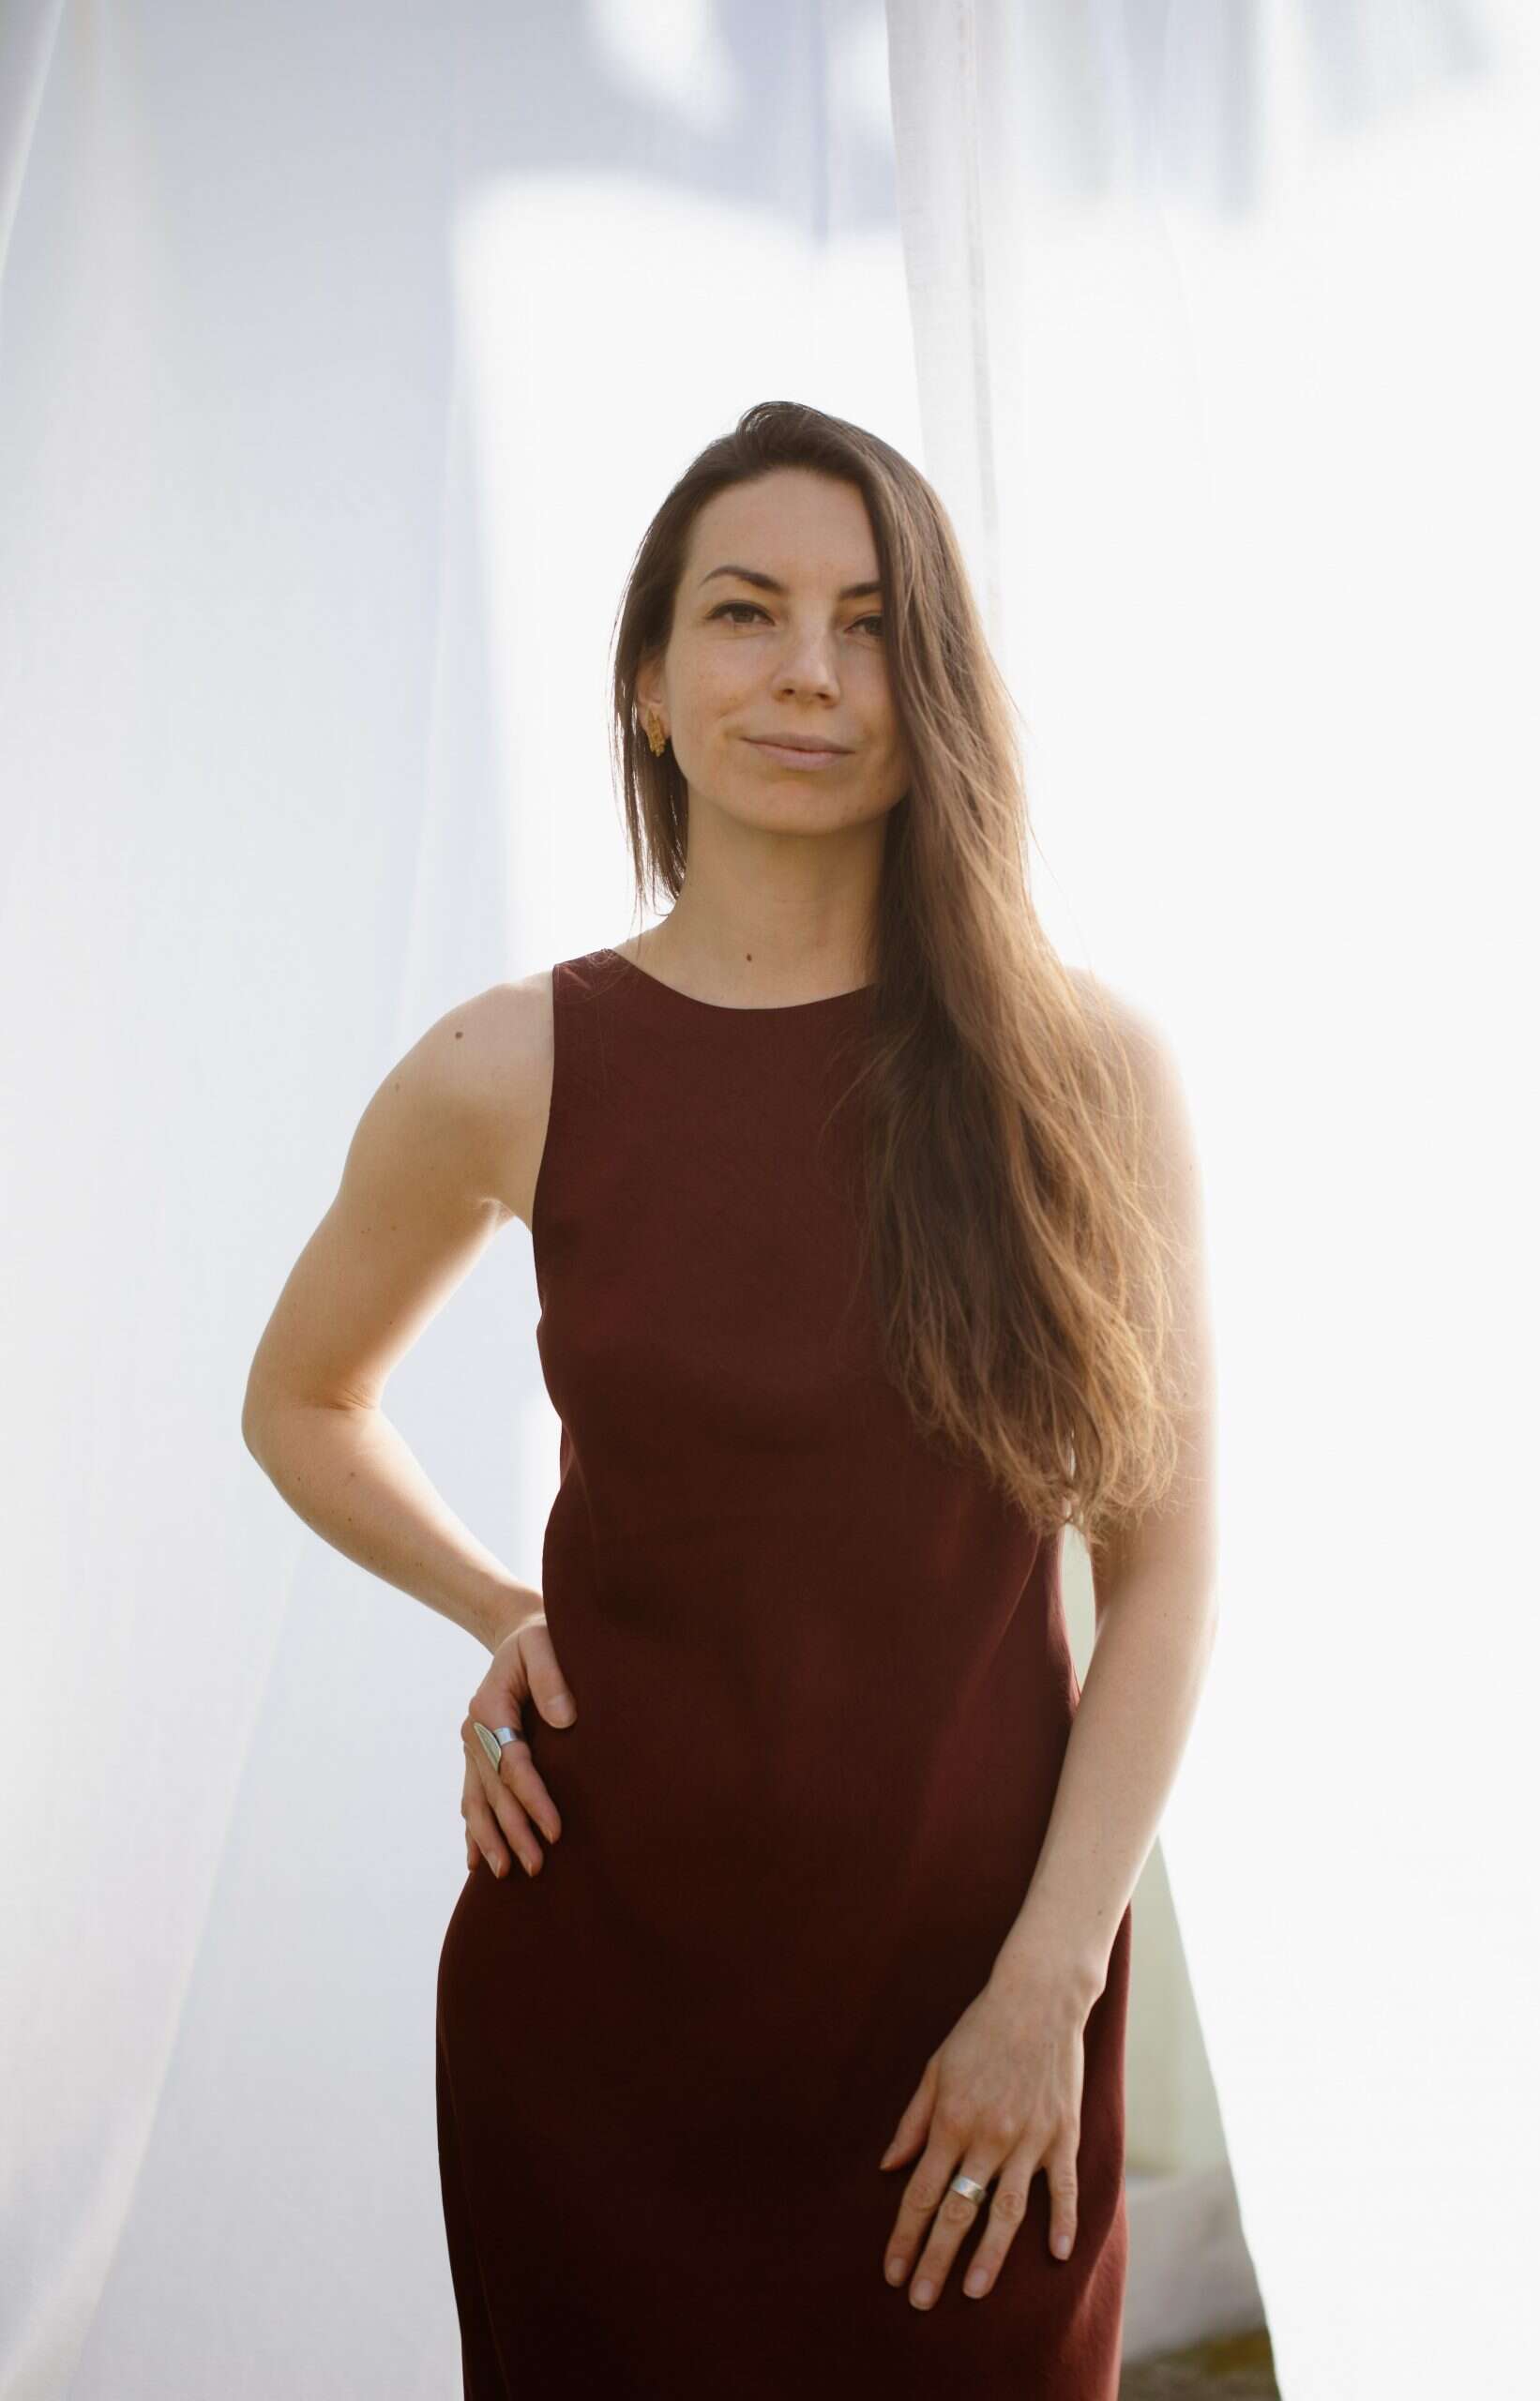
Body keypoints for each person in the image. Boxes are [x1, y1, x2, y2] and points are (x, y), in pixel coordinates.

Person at [241, 399, 1217, 2396]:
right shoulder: (509, 1067)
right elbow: (303, 1398)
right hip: (598, 2026)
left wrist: (1049, 1980)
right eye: (746, 612)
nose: (808, 672)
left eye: (870, 625)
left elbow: (1167, 1565)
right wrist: (502, 1608)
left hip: (978, 2029)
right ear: (649, 683)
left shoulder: (1081, 1071)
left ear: (933, 684)